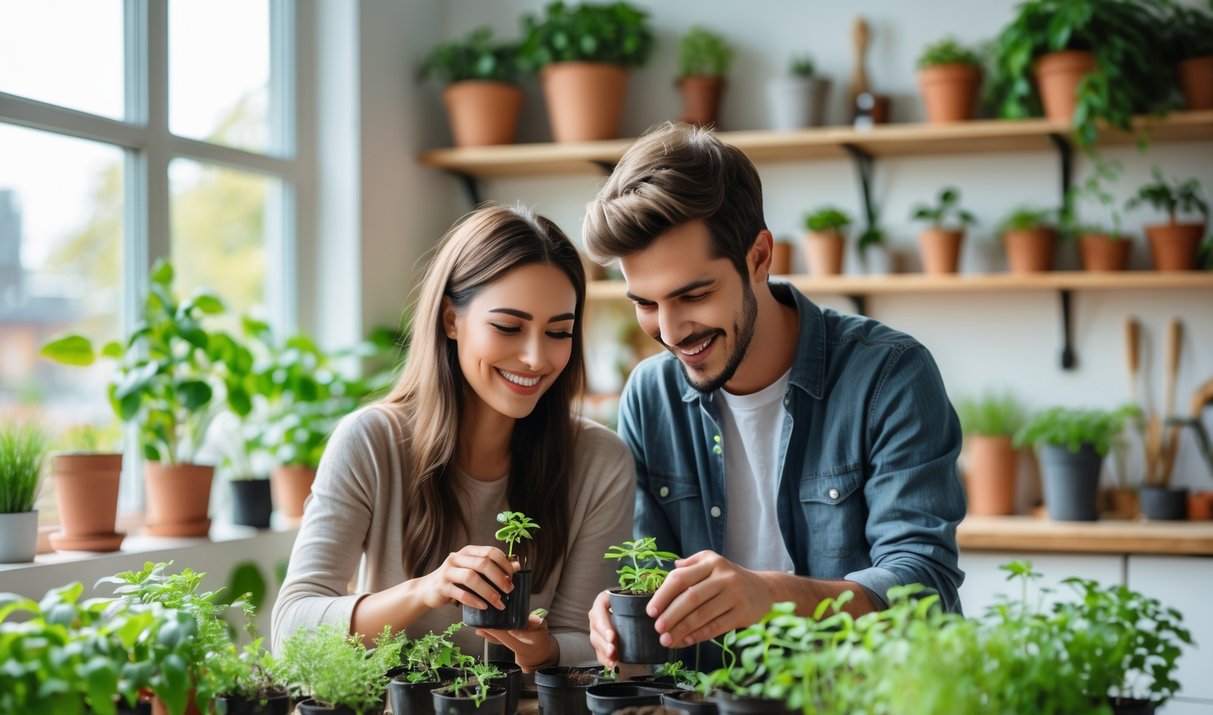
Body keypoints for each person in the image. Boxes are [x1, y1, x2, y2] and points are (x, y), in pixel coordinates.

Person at [581, 122, 965, 670]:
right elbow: (651, 570)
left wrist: (772, 596)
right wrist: (624, 609)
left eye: (694, 294)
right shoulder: (650, 396)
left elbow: (922, 586)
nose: (670, 331)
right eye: (645, 303)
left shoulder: (889, 375)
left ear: (760, 256)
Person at [271, 205, 635, 672]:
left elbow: (593, 644)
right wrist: (425, 589)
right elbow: (289, 631)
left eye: (558, 332)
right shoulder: (370, 442)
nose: (535, 357)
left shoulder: (599, 462)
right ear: (450, 319)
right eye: (508, 327)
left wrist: (546, 650)